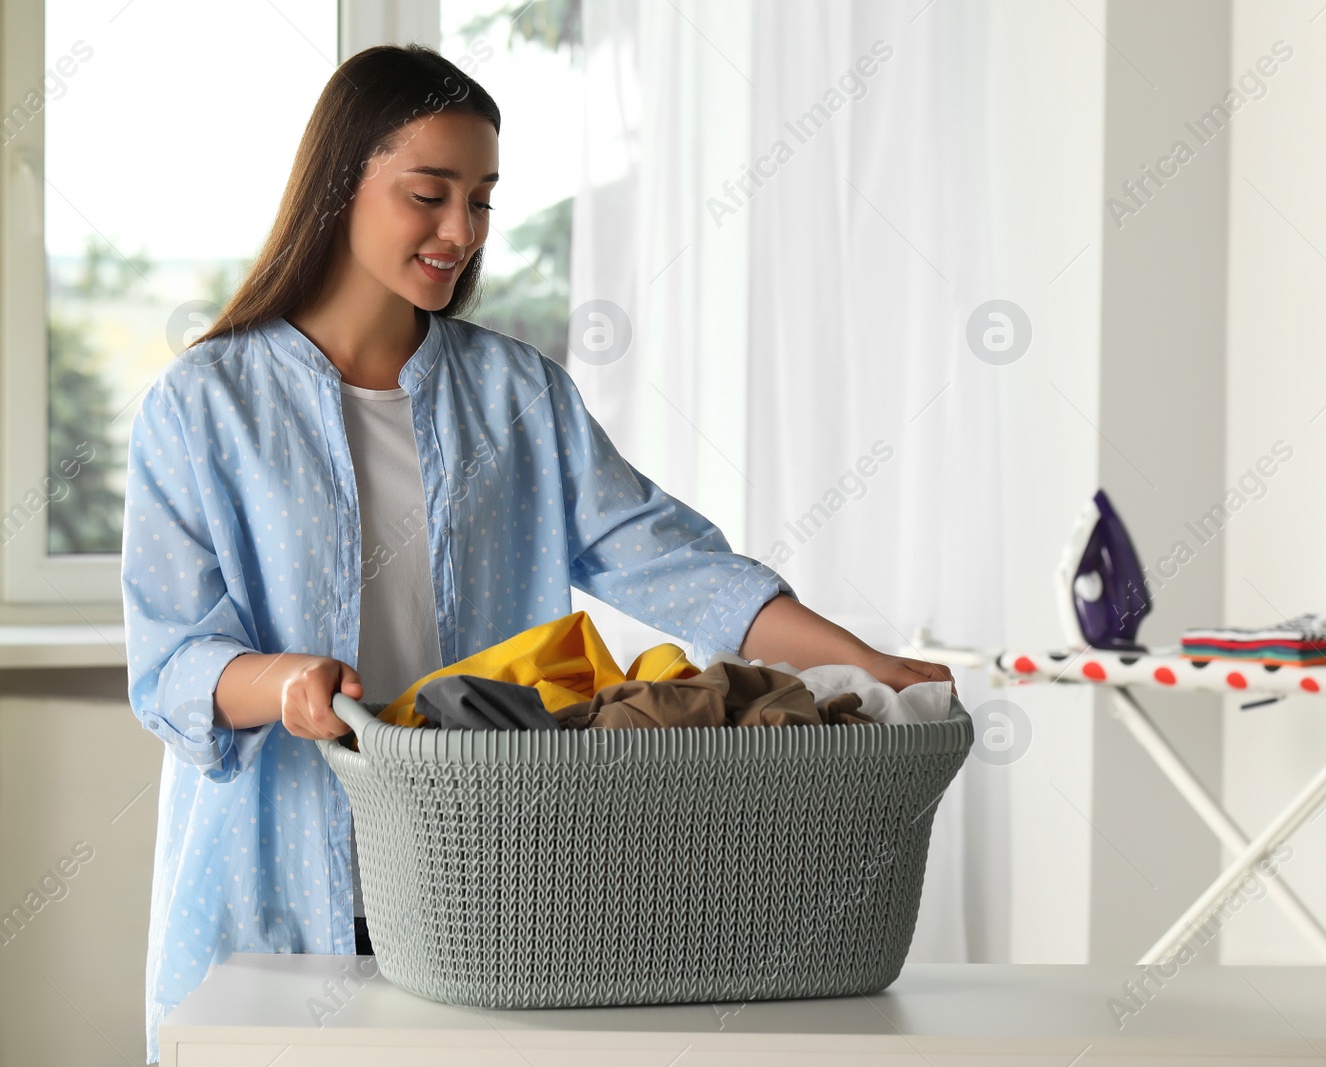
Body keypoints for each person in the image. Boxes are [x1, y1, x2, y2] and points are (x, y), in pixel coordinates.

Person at [120, 44, 953, 1064]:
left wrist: (862, 660)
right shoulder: (204, 407)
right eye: (428, 194)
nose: (459, 232)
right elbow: (170, 661)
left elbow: (674, 561)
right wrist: (285, 681)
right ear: (340, 185)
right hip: (277, 869)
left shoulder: (518, 397)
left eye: (482, 200)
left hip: (482, 874)